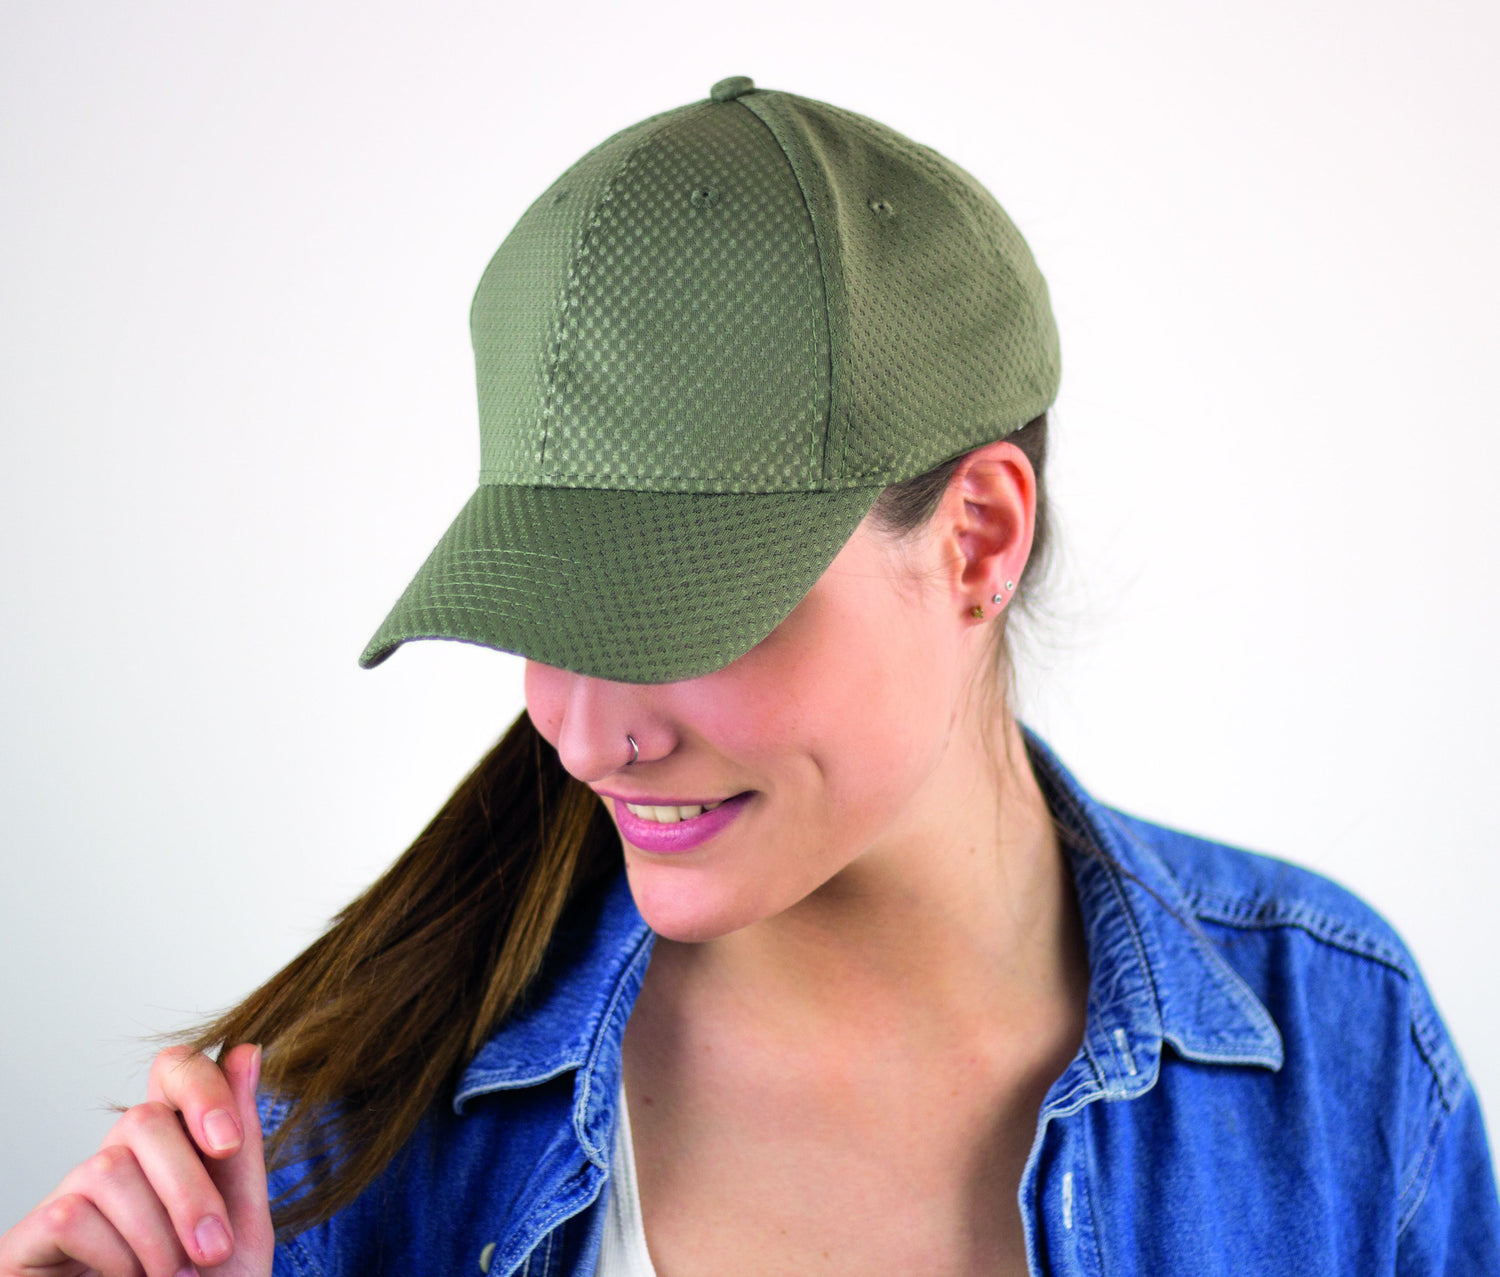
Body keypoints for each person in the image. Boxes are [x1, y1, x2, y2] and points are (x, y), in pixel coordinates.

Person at [4, 73, 1497, 1277]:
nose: (585, 735)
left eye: (681, 608)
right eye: (546, 610)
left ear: (977, 537)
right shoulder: (326, 1154)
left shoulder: (1342, 1064)